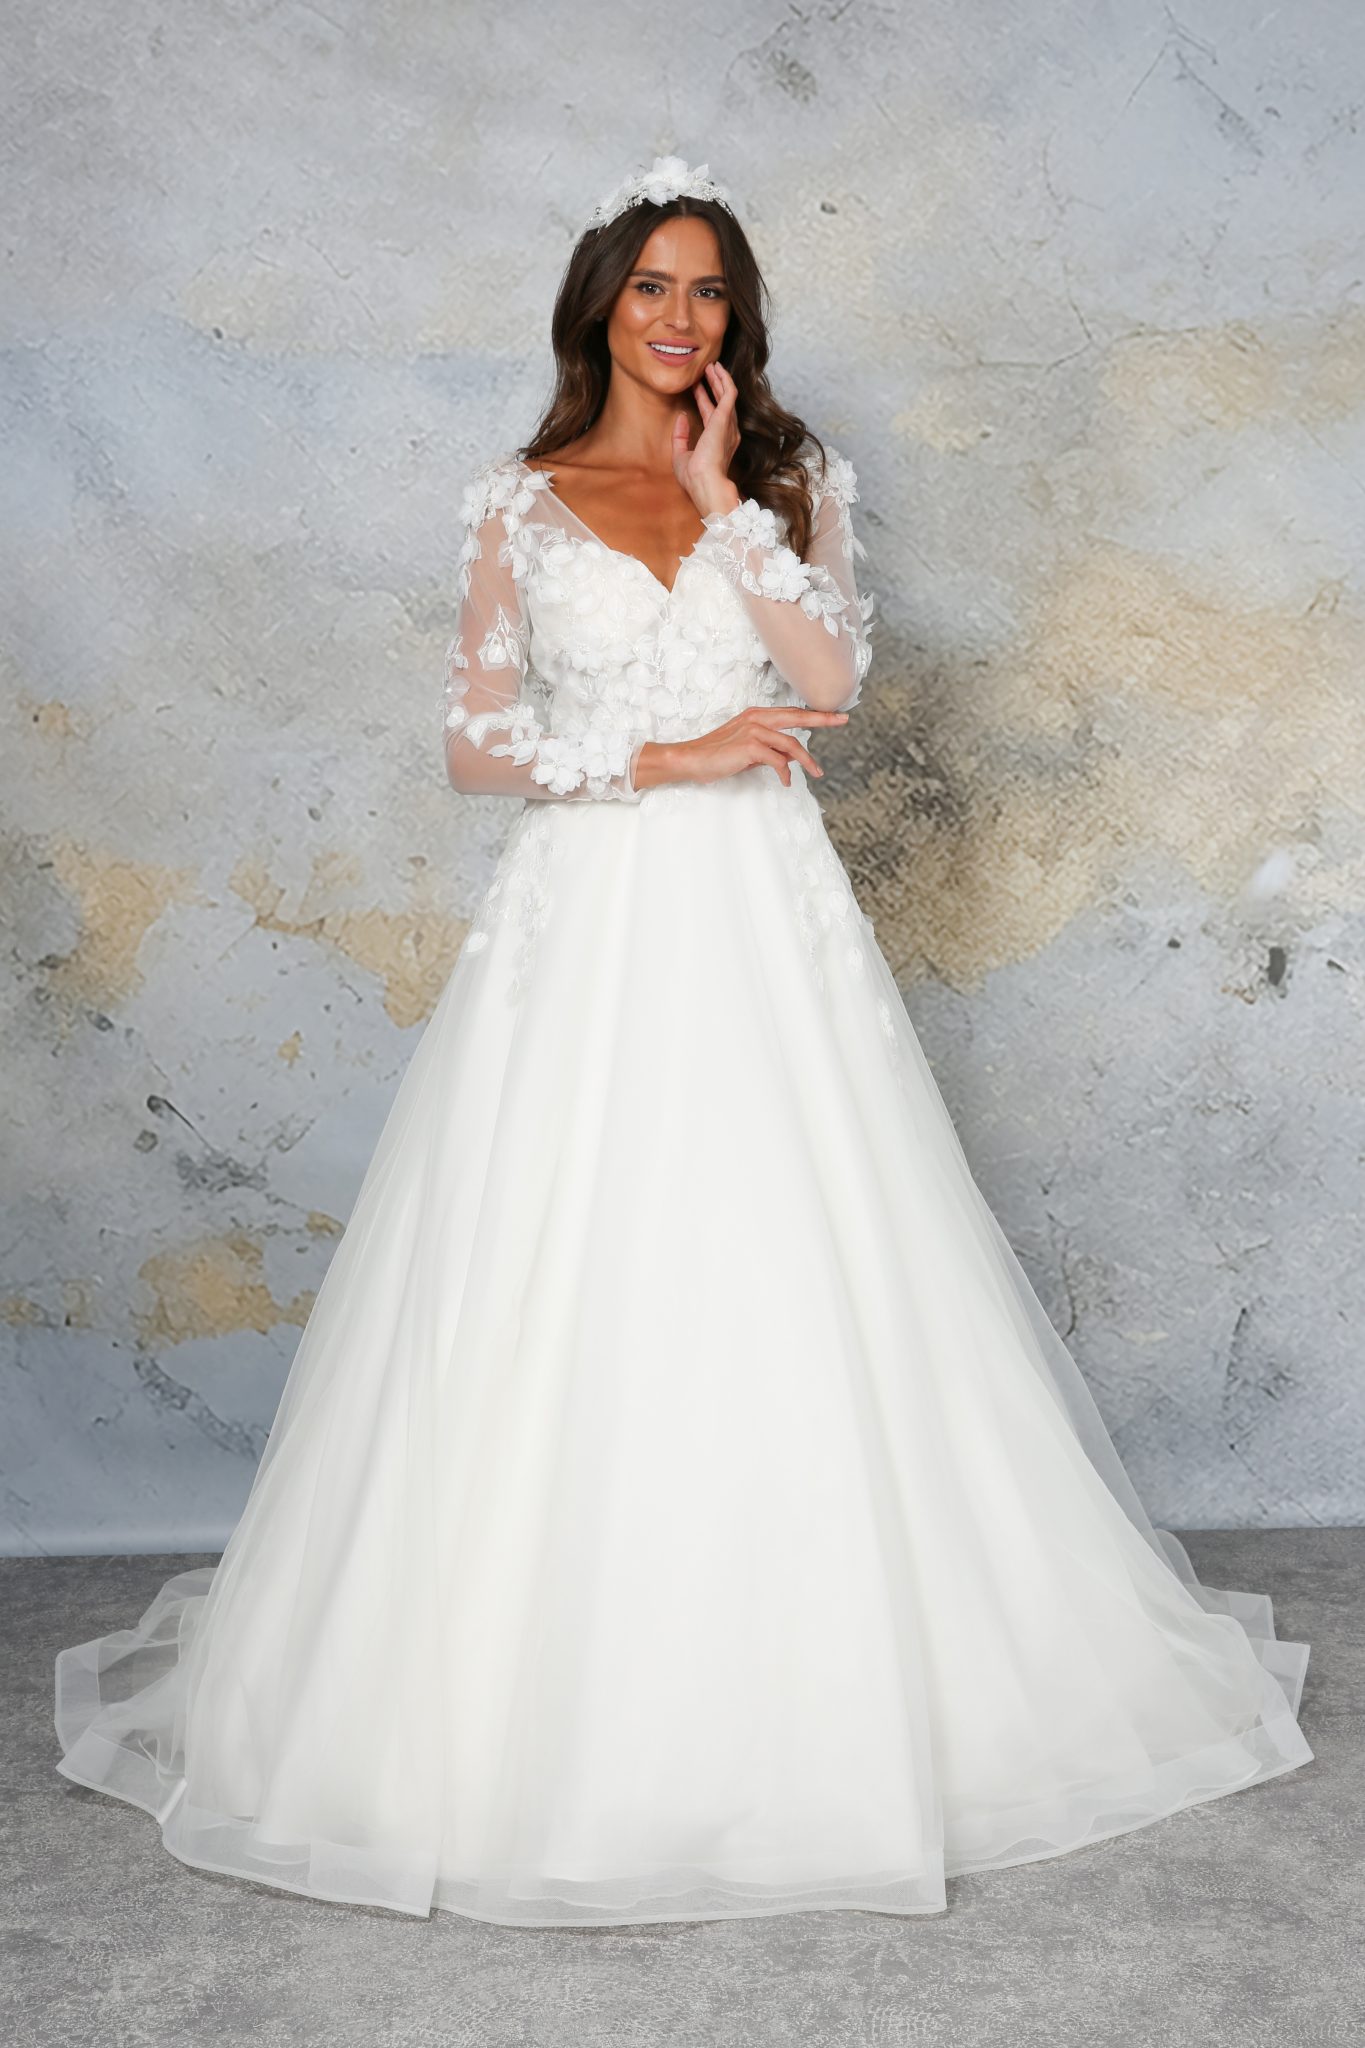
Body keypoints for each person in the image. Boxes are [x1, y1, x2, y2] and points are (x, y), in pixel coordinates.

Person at [53, 155, 1313, 1930]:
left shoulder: (790, 481)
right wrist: (667, 756)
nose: (679, 315)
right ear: (598, 304)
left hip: (760, 922)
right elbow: (474, 743)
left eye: (709, 289)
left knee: (793, 1251)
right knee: (566, 1260)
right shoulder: (517, 502)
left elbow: (830, 682)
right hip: (585, 924)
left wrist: (726, 502)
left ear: (736, 319)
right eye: (651, 284)